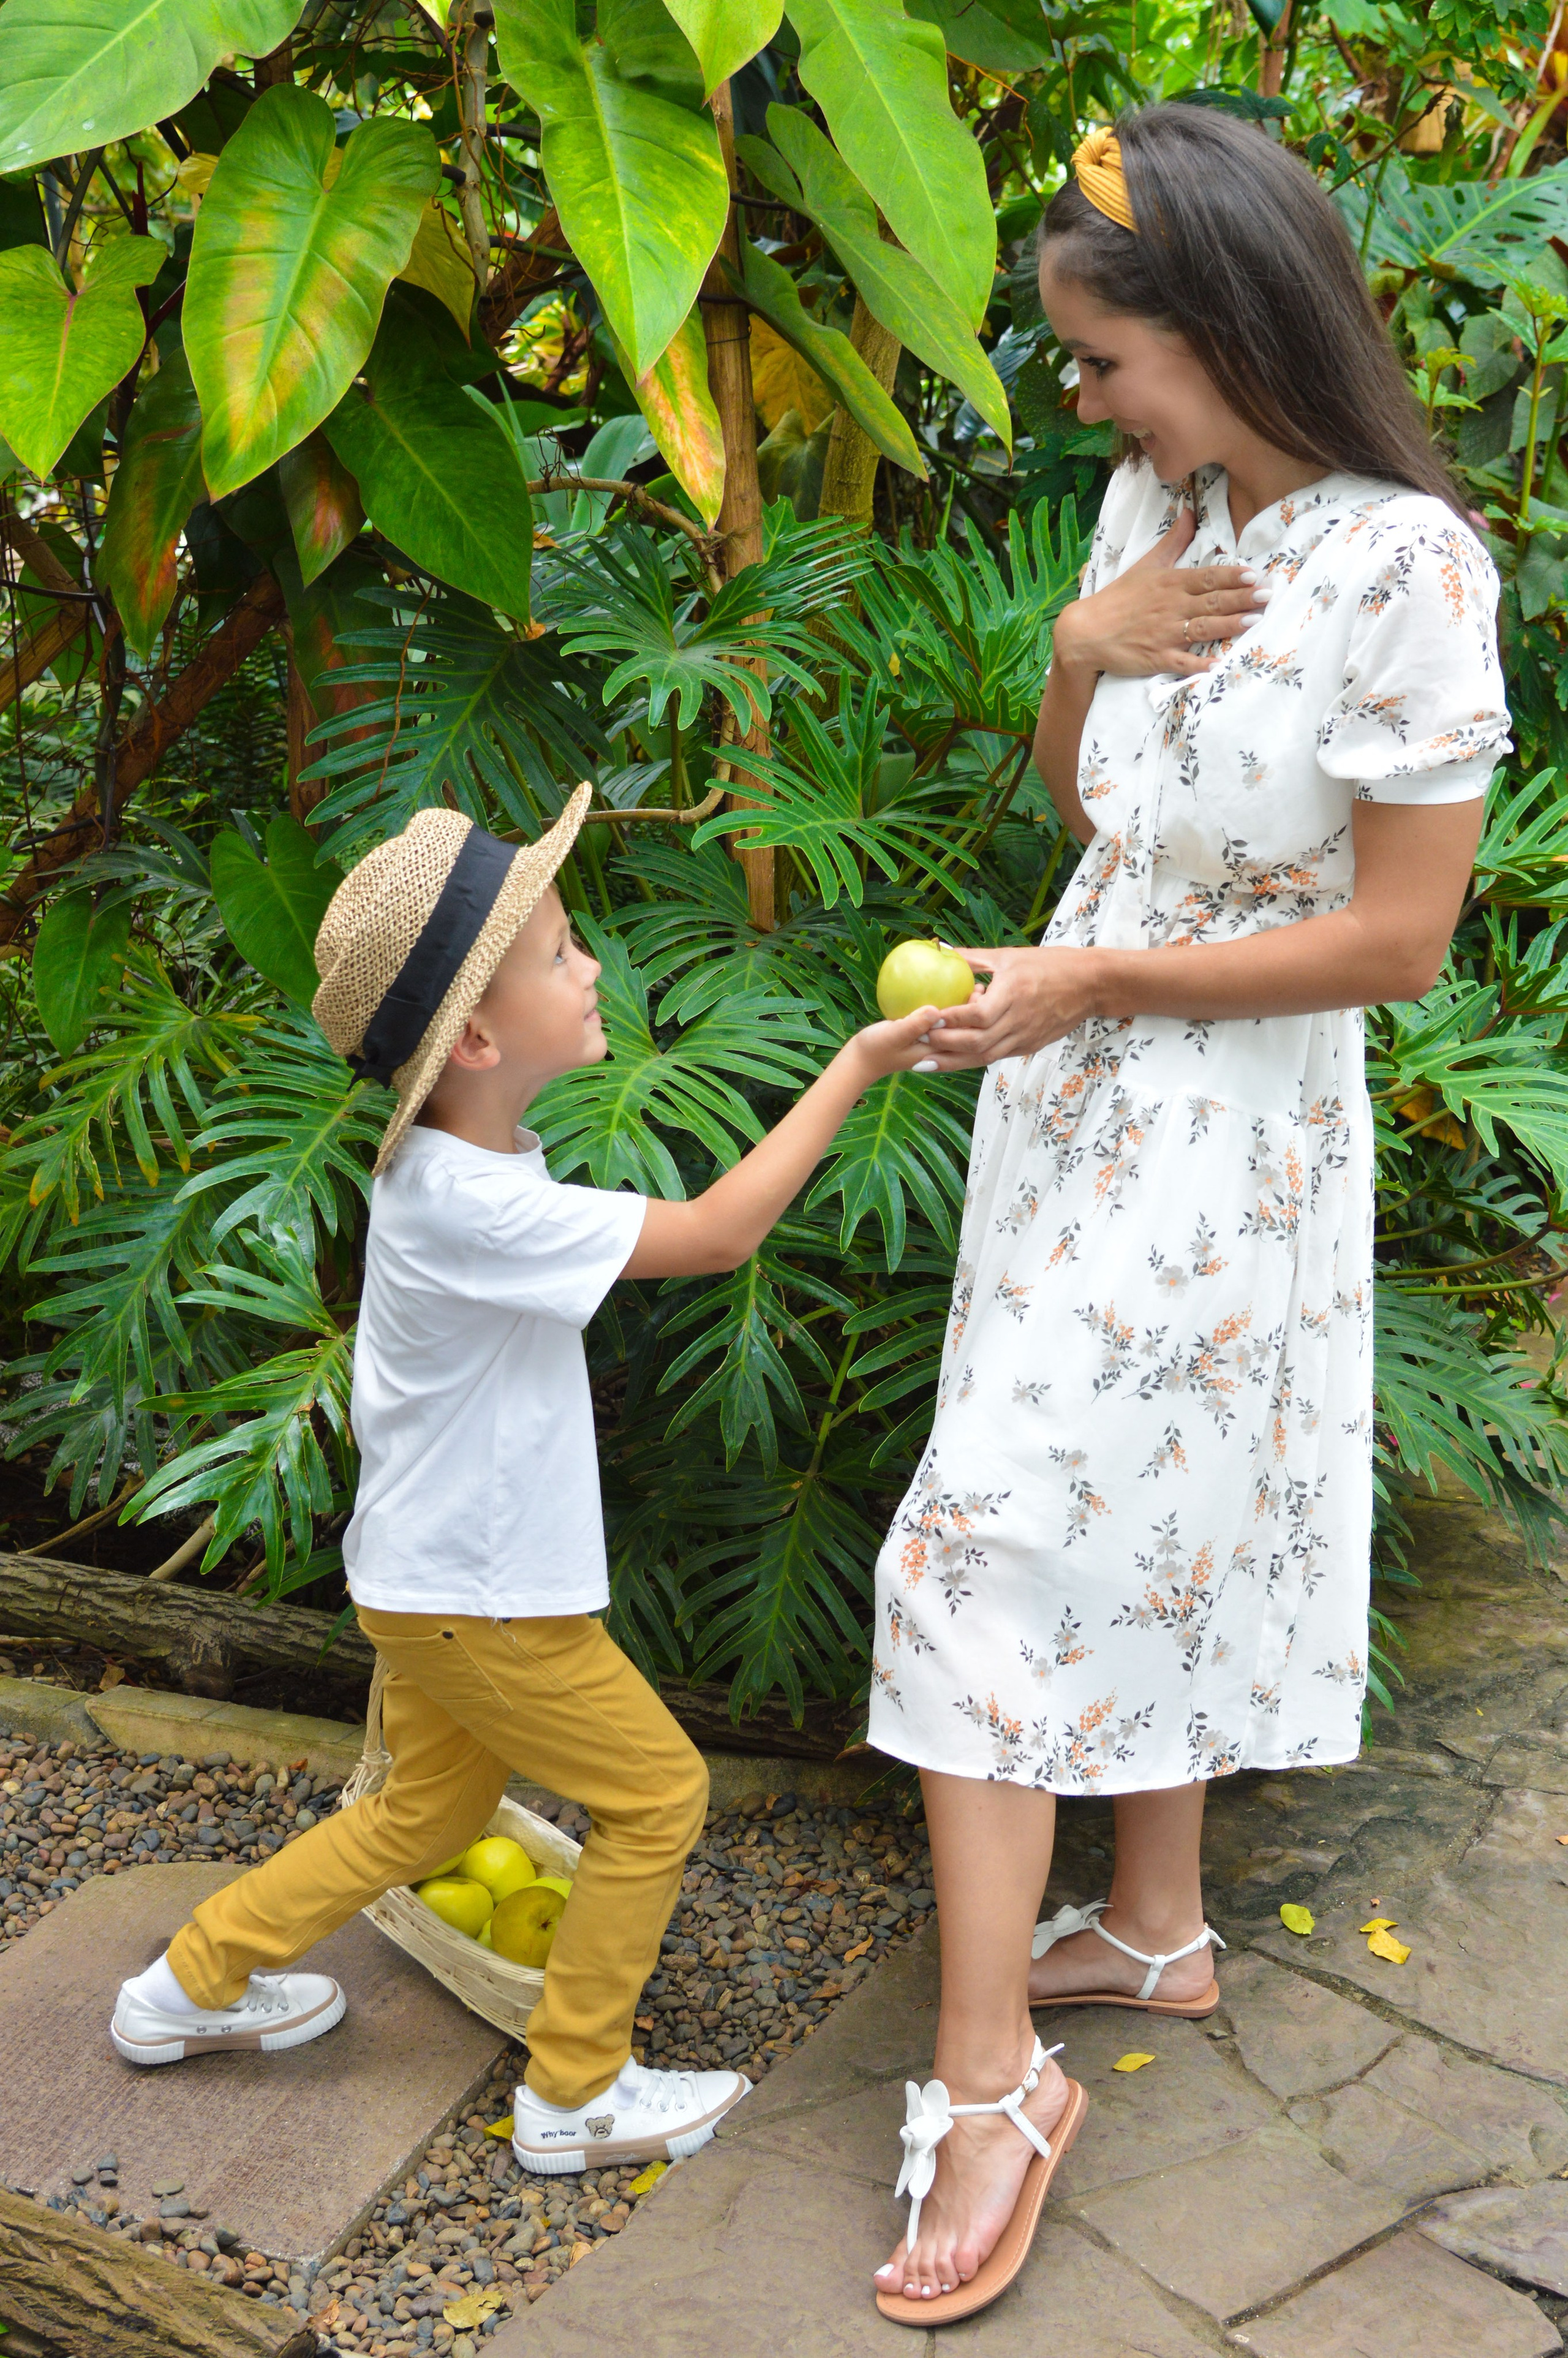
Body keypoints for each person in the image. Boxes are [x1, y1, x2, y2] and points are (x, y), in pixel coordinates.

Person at [866, 105, 1510, 2324]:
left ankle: (991, 2085)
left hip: (1227, 1118)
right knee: (1135, 1509)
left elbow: (1402, 944)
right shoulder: (1167, 502)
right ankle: (1151, 1932)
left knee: (973, 1550)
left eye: (1104, 362)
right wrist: (1076, 642)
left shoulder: (1407, 568)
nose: (1083, 404)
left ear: (1231, 330)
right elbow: (1095, 812)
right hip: (1075, 1090)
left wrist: (1105, 980)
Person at [109, 788, 944, 2176]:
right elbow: (724, 1234)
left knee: (422, 1815)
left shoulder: (473, 1163)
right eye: (562, 951)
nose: (596, 964)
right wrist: (859, 1060)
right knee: (658, 1794)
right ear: (480, 1037)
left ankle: (183, 1987)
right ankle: (576, 2090)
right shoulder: (469, 1198)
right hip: (483, 1597)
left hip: (436, 1579)